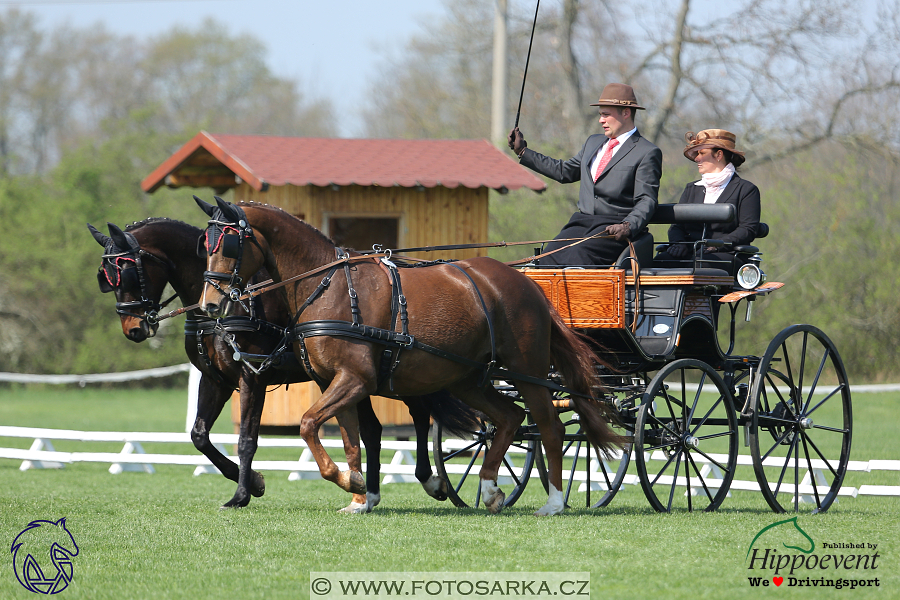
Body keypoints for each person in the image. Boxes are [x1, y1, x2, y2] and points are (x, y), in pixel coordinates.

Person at [508, 83, 662, 266]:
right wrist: (523, 152)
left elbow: (647, 200)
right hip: (581, 223)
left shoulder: (647, 152)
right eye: (600, 115)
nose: (601, 120)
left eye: (606, 114)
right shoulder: (593, 142)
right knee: (547, 257)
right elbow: (564, 172)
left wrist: (628, 226)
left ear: (626, 113)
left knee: (577, 255)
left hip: (613, 228)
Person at [654, 129, 760, 274]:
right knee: (657, 263)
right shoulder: (692, 188)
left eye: (702, 153)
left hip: (726, 255)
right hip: (691, 252)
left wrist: (717, 245)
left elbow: (747, 229)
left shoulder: (746, 190)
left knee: (700, 265)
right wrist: (679, 244)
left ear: (719, 155)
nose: (697, 159)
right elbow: (677, 226)